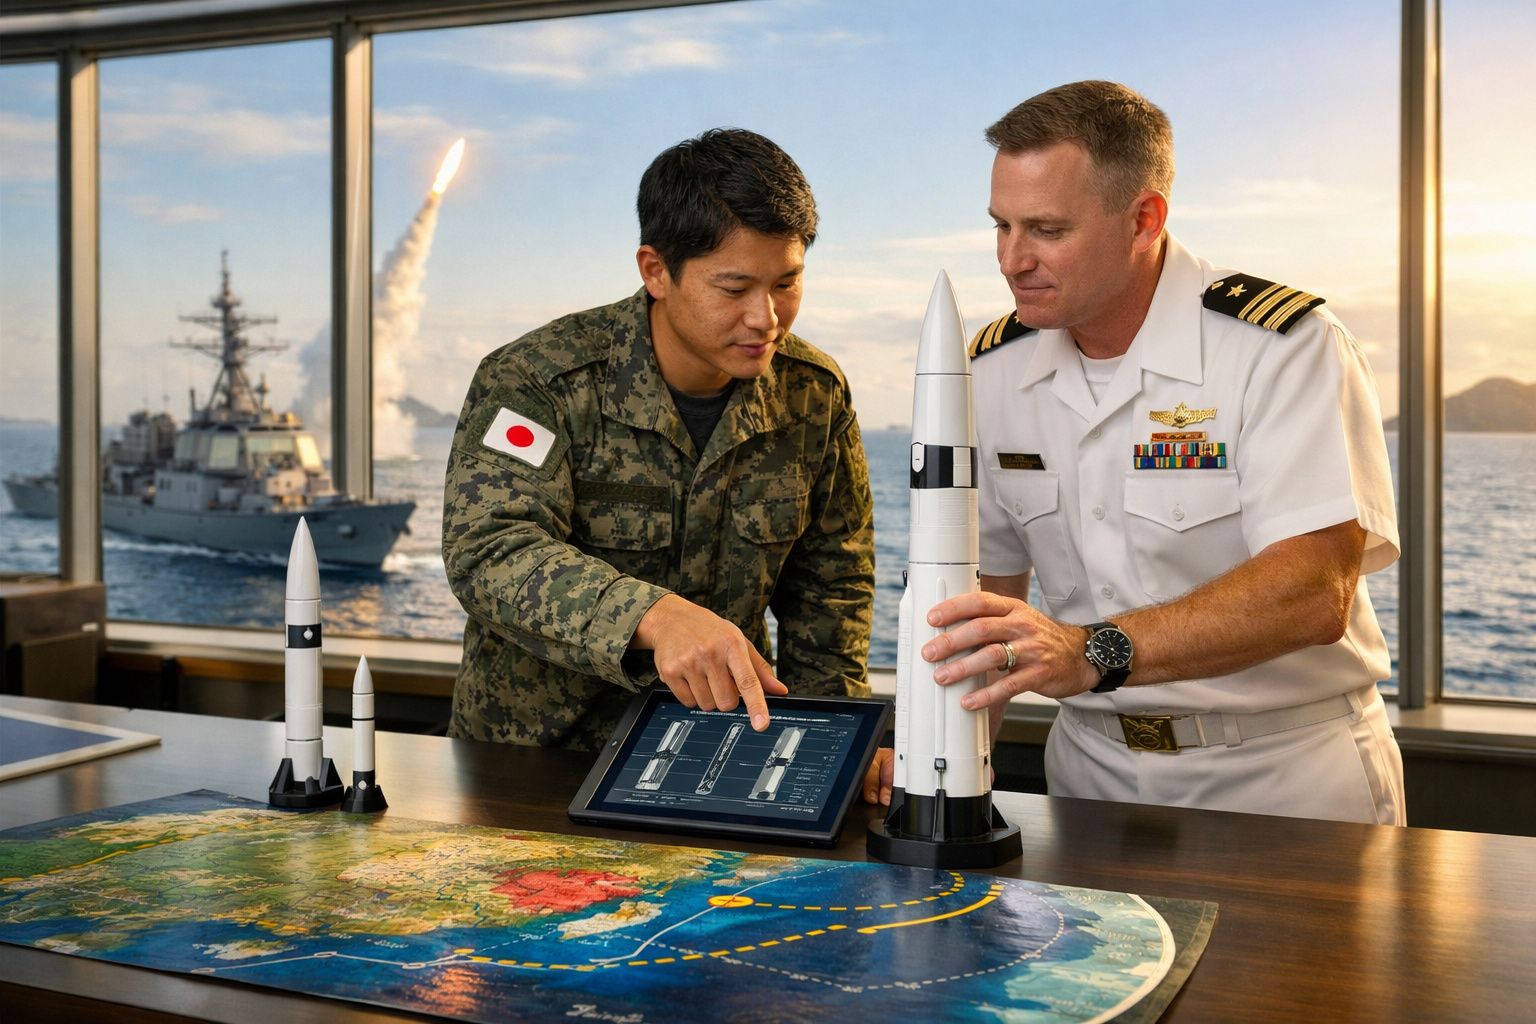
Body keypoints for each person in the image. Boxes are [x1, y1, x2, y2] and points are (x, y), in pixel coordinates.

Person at [872, 81, 1404, 824]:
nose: (1012, 260)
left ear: (1143, 220)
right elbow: (982, 608)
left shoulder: (1280, 348)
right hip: (1087, 780)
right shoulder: (991, 371)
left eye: (1047, 230)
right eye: (1002, 226)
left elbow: (1314, 591)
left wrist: (1092, 652)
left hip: (1284, 776)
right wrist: (927, 769)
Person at [443, 128, 875, 751]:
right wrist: (655, 616)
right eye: (734, 289)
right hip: (533, 761)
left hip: (719, 752)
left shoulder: (813, 394)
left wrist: (836, 746)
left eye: (786, 284)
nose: (766, 318)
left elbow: (832, 592)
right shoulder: (539, 381)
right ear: (656, 271)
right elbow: (489, 550)